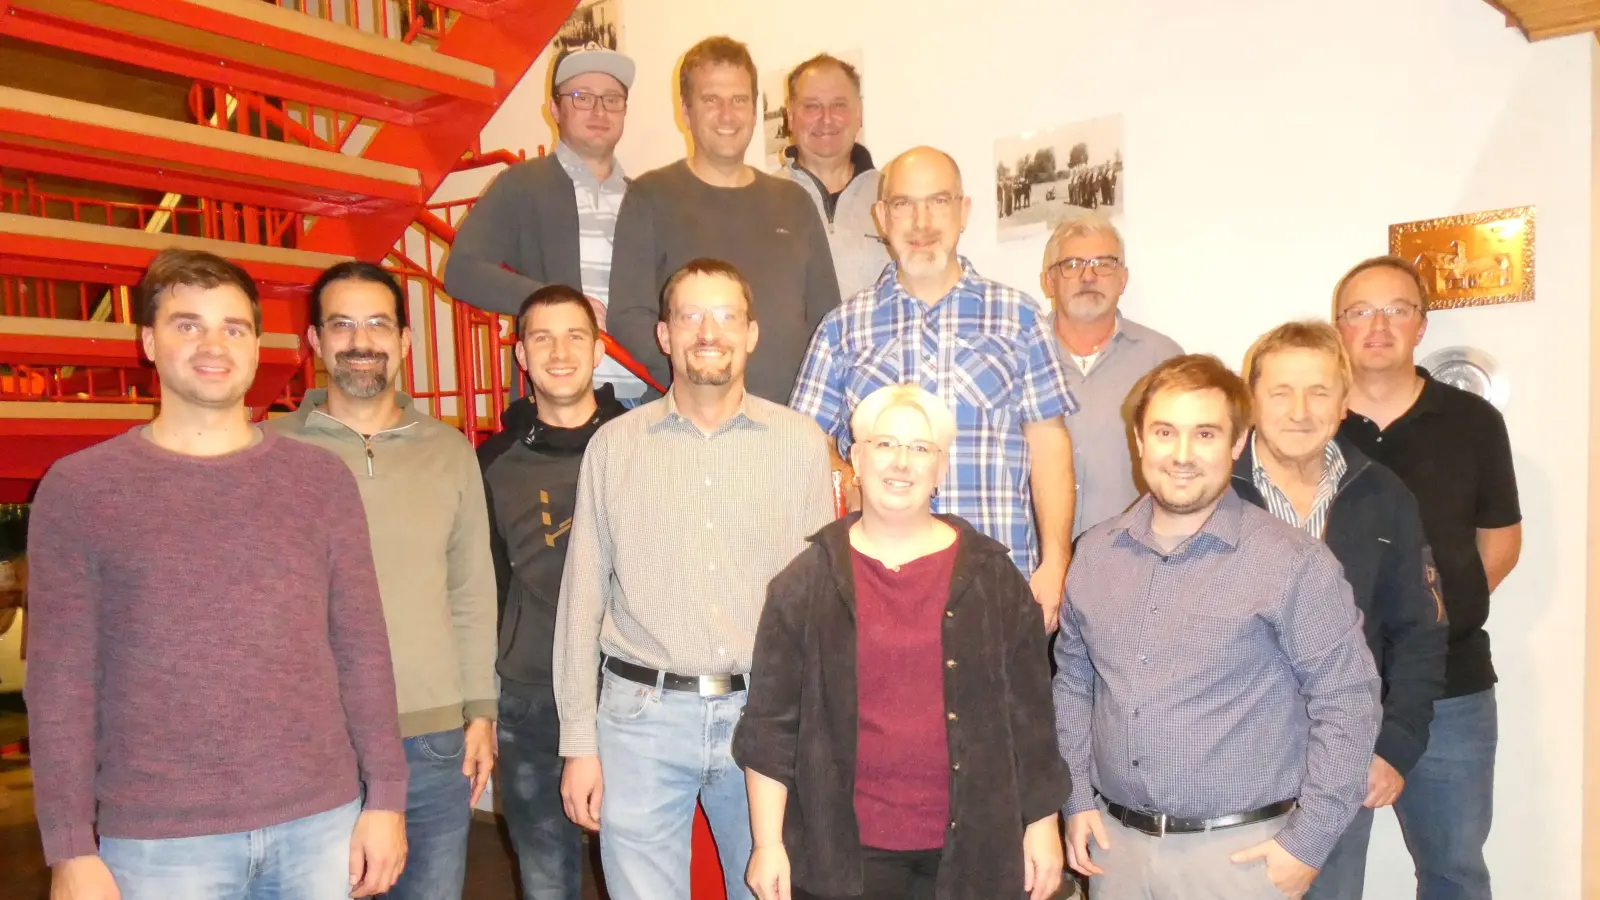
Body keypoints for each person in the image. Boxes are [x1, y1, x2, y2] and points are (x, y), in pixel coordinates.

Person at [25, 248, 409, 900]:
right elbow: (60, 683)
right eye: (187, 324)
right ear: (148, 340)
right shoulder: (82, 489)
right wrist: (69, 847)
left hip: (319, 822)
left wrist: (387, 799)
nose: (213, 344)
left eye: (234, 328)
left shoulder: (318, 481)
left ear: (257, 347)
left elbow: (362, 647)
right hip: (159, 842)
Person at [553, 258, 835, 900]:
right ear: (664, 334)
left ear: (752, 333)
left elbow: (821, 603)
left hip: (762, 721)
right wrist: (579, 743)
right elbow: (582, 601)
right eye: (691, 316)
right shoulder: (615, 447)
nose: (709, 331)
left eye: (726, 316)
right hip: (639, 722)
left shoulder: (798, 442)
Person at [1054, 354, 1381, 900]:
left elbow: (1348, 699)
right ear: (1139, 440)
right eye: (1164, 432)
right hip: (1116, 855)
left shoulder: (1292, 562)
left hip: (1241, 860)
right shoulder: (1093, 555)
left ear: (1236, 443)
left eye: (1204, 433)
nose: (1182, 455)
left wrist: (1308, 843)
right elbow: (1072, 685)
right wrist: (1077, 800)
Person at [735, 384, 1068, 900]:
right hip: (843, 858)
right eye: (885, 443)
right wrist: (767, 843)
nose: (901, 462)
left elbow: (1030, 714)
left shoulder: (992, 576)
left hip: (976, 853)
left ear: (941, 469)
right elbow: (770, 726)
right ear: (856, 457)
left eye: (921, 449)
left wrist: (1042, 824)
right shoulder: (804, 582)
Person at [267, 262, 498, 900]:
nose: (360, 340)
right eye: (341, 324)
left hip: (430, 740)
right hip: (312, 737)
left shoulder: (449, 451)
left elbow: (471, 590)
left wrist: (480, 709)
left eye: (377, 324)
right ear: (314, 342)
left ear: (403, 341)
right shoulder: (268, 451)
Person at [790, 146, 1077, 629]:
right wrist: (849, 478)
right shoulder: (842, 328)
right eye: (903, 204)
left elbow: (1049, 443)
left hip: (997, 589)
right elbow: (803, 439)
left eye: (938, 202)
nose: (921, 221)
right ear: (881, 217)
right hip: (877, 591)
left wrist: (1056, 562)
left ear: (963, 211)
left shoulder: (1018, 318)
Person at [1234, 321, 1449, 899]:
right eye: (1280, 391)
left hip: (1340, 765)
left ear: (1345, 399)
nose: (1300, 410)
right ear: (1252, 398)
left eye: (1319, 391)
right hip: (1227, 772)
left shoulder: (1383, 495)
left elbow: (1419, 633)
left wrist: (1393, 746)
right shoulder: (1211, 492)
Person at [1332, 257, 1521, 900]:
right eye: (1360, 311)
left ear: (1421, 323)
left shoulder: (1473, 422)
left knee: (1456, 871)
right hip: (1329, 693)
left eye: (1397, 309)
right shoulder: (1309, 428)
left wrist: (1435, 615)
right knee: (1321, 875)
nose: (1378, 325)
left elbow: (1500, 541)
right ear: (1339, 328)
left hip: (1451, 687)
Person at [477, 284, 629, 900]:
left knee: (641, 874)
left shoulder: (643, 442)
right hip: (532, 698)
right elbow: (483, 585)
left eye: (575, 335)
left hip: (633, 695)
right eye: (542, 337)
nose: (559, 351)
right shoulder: (492, 461)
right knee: (545, 877)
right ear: (521, 355)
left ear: (598, 350)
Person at [607, 36, 840, 404]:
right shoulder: (649, 196)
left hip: (787, 427)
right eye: (711, 100)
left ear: (754, 109)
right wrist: (696, 387)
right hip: (688, 428)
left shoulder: (795, 202)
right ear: (685, 111)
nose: (727, 115)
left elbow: (829, 322)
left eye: (739, 100)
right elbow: (628, 316)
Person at [442, 45, 650, 403]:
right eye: (582, 97)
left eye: (612, 99)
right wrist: (560, 302)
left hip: (643, 397)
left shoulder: (647, 198)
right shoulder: (521, 185)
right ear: (554, 108)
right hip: (557, 397)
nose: (599, 110)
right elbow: (462, 271)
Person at [1039, 212, 1181, 536]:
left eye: (1104, 263)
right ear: (1049, 281)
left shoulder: (1163, 360)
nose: (1088, 276)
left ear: (1123, 278)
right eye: (1072, 265)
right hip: (1032, 570)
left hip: (1132, 562)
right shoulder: (1017, 358)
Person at [775, 53, 891, 300]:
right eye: (812, 106)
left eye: (839, 105)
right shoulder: (763, 199)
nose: (826, 118)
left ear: (858, 114)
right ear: (791, 117)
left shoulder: (894, 198)